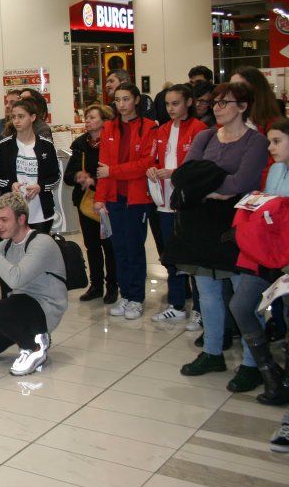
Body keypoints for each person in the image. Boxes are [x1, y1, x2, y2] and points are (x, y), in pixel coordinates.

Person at [167, 82, 268, 378]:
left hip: (237, 225)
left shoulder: (255, 141)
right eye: (215, 103)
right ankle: (212, 352)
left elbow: (243, 183)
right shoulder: (205, 135)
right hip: (201, 223)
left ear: (243, 106)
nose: (218, 108)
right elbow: (185, 177)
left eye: (225, 103)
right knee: (207, 293)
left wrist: (208, 184)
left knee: (242, 296)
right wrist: (217, 186)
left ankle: (253, 362)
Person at [0, 193, 68, 375]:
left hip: (44, 307)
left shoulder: (42, 242)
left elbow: (16, 279)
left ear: (21, 219)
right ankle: (28, 335)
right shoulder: (6, 245)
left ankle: (35, 347)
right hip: (19, 307)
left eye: (4, 220)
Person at [230, 117, 289, 409]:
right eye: (269, 141)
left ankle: (283, 383)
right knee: (240, 305)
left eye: (277, 141)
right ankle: (269, 371)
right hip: (267, 253)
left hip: (285, 257)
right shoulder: (276, 169)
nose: (271, 147)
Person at [94, 83, 156, 320]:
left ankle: (137, 298)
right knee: (118, 249)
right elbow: (102, 169)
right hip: (113, 198)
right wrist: (100, 198)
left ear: (137, 100)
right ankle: (125, 295)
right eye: (117, 100)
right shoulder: (109, 127)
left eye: (126, 99)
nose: (121, 105)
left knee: (134, 249)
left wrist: (114, 172)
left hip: (137, 198)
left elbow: (145, 164)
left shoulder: (149, 127)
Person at [147, 84, 207, 323]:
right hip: (164, 203)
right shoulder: (161, 130)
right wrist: (152, 169)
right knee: (171, 254)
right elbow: (153, 159)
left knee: (193, 256)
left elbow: (203, 168)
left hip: (190, 202)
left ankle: (201, 309)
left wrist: (175, 173)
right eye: (168, 104)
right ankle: (177, 303)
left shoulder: (200, 130)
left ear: (188, 103)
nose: (171, 108)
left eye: (176, 103)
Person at [63, 104, 117, 303]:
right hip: (85, 203)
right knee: (91, 245)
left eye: (93, 117)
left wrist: (95, 181)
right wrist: (78, 176)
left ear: (104, 121)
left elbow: (114, 170)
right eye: (87, 117)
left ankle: (113, 285)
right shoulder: (80, 144)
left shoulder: (112, 142)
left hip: (108, 202)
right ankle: (96, 285)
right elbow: (68, 176)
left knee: (109, 245)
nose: (88, 120)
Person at [0, 99, 60, 234]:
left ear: (32, 117)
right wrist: (11, 185)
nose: (16, 121)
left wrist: (41, 187)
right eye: (13, 117)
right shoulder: (4, 146)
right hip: (12, 212)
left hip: (40, 212)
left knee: (39, 251)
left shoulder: (46, 145)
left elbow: (55, 177)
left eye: (21, 117)